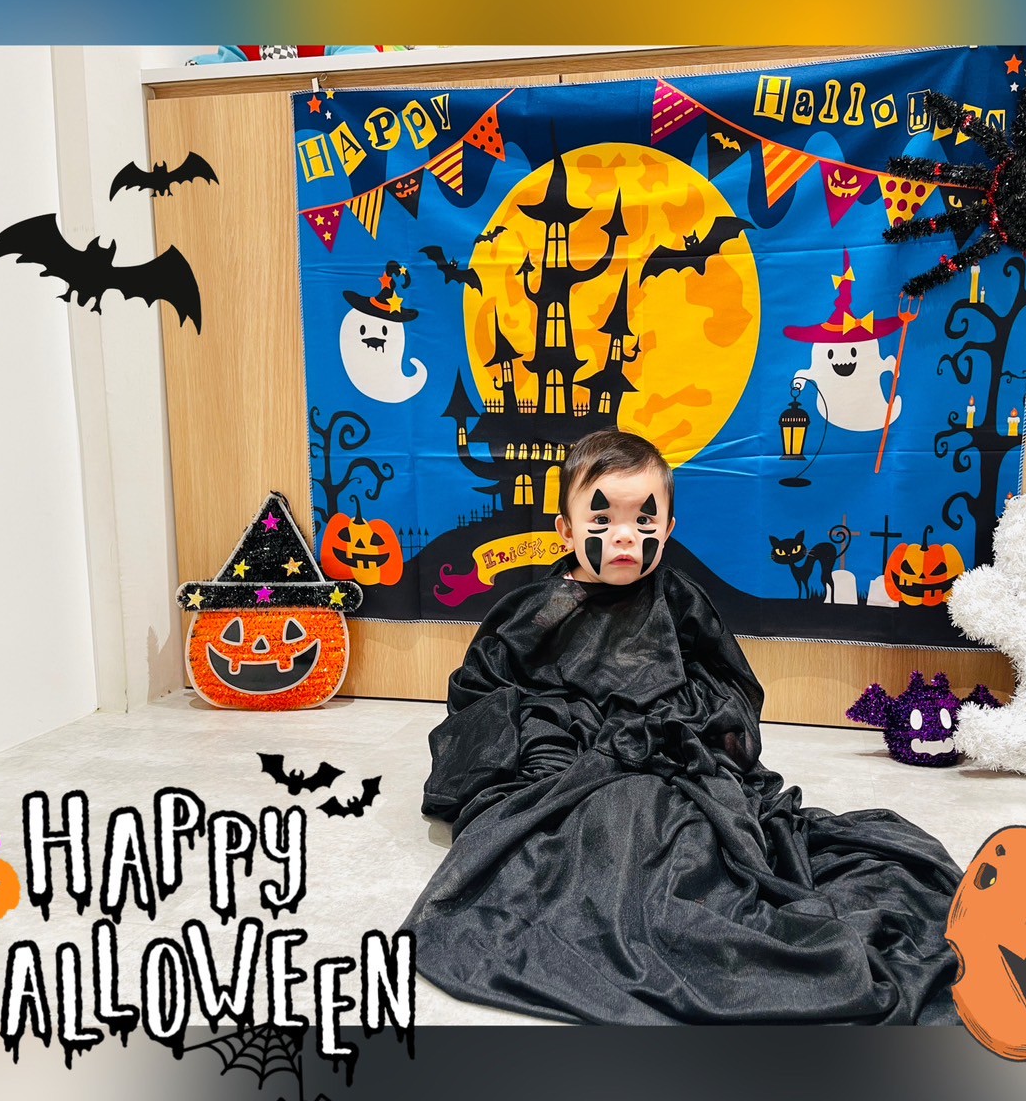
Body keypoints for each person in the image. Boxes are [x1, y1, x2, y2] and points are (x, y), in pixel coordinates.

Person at [404, 429, 963, 1024]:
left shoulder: (679, 603)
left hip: (674, 759)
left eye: (643, 520)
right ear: (566, 529)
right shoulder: (534, 614)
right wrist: (545, 741)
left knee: (685, 835)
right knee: (594, 835)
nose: (624, 535)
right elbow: (481, 696)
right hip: (571, 769)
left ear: (668, 529)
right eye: (602, 520)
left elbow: (731, 691)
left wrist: (688, 727)